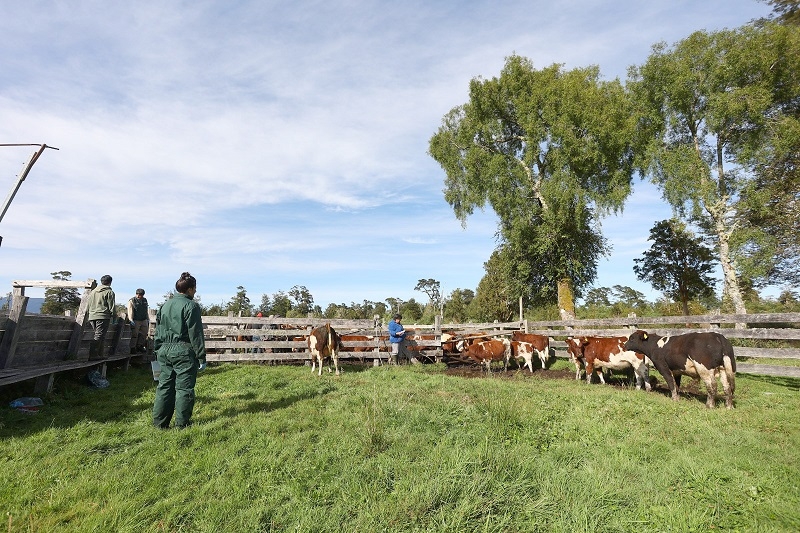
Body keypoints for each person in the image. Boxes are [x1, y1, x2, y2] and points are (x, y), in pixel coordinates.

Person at [152, 272, 207, 429]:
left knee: (164, 386)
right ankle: (182, 425)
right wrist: (201, 357)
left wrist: (157, 349)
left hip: (164, 350)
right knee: (184, 388)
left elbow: (157, 330)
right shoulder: (191, 306)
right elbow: (195, 334)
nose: (195, 291)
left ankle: (159, 424)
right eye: (195, 289)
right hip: (183, 350)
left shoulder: (164, 306)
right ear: (190, 289)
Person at [87, 274, 116, 361]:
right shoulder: (109, 292)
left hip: (92, 316)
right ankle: (93, 355)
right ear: (110, 282)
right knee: (99, 336)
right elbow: (112, 307)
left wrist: (90, 313)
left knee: (99, 335)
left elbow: (88, 305)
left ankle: (99, 354)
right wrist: (114, 317)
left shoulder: (93, 292)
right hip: (103, 316)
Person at [127, 288, 150, 354]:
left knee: (144, 333)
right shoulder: (132, 300)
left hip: (143, 319)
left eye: (139, 295)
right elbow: (130, 310)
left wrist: (148, 319)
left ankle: (140, 346)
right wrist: (131, 319)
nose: (138, 296)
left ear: (142, 295)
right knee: (135, 334)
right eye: (137, 294)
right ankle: (132, 348)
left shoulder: (145, 300)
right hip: (136, 319)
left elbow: (146, 310)